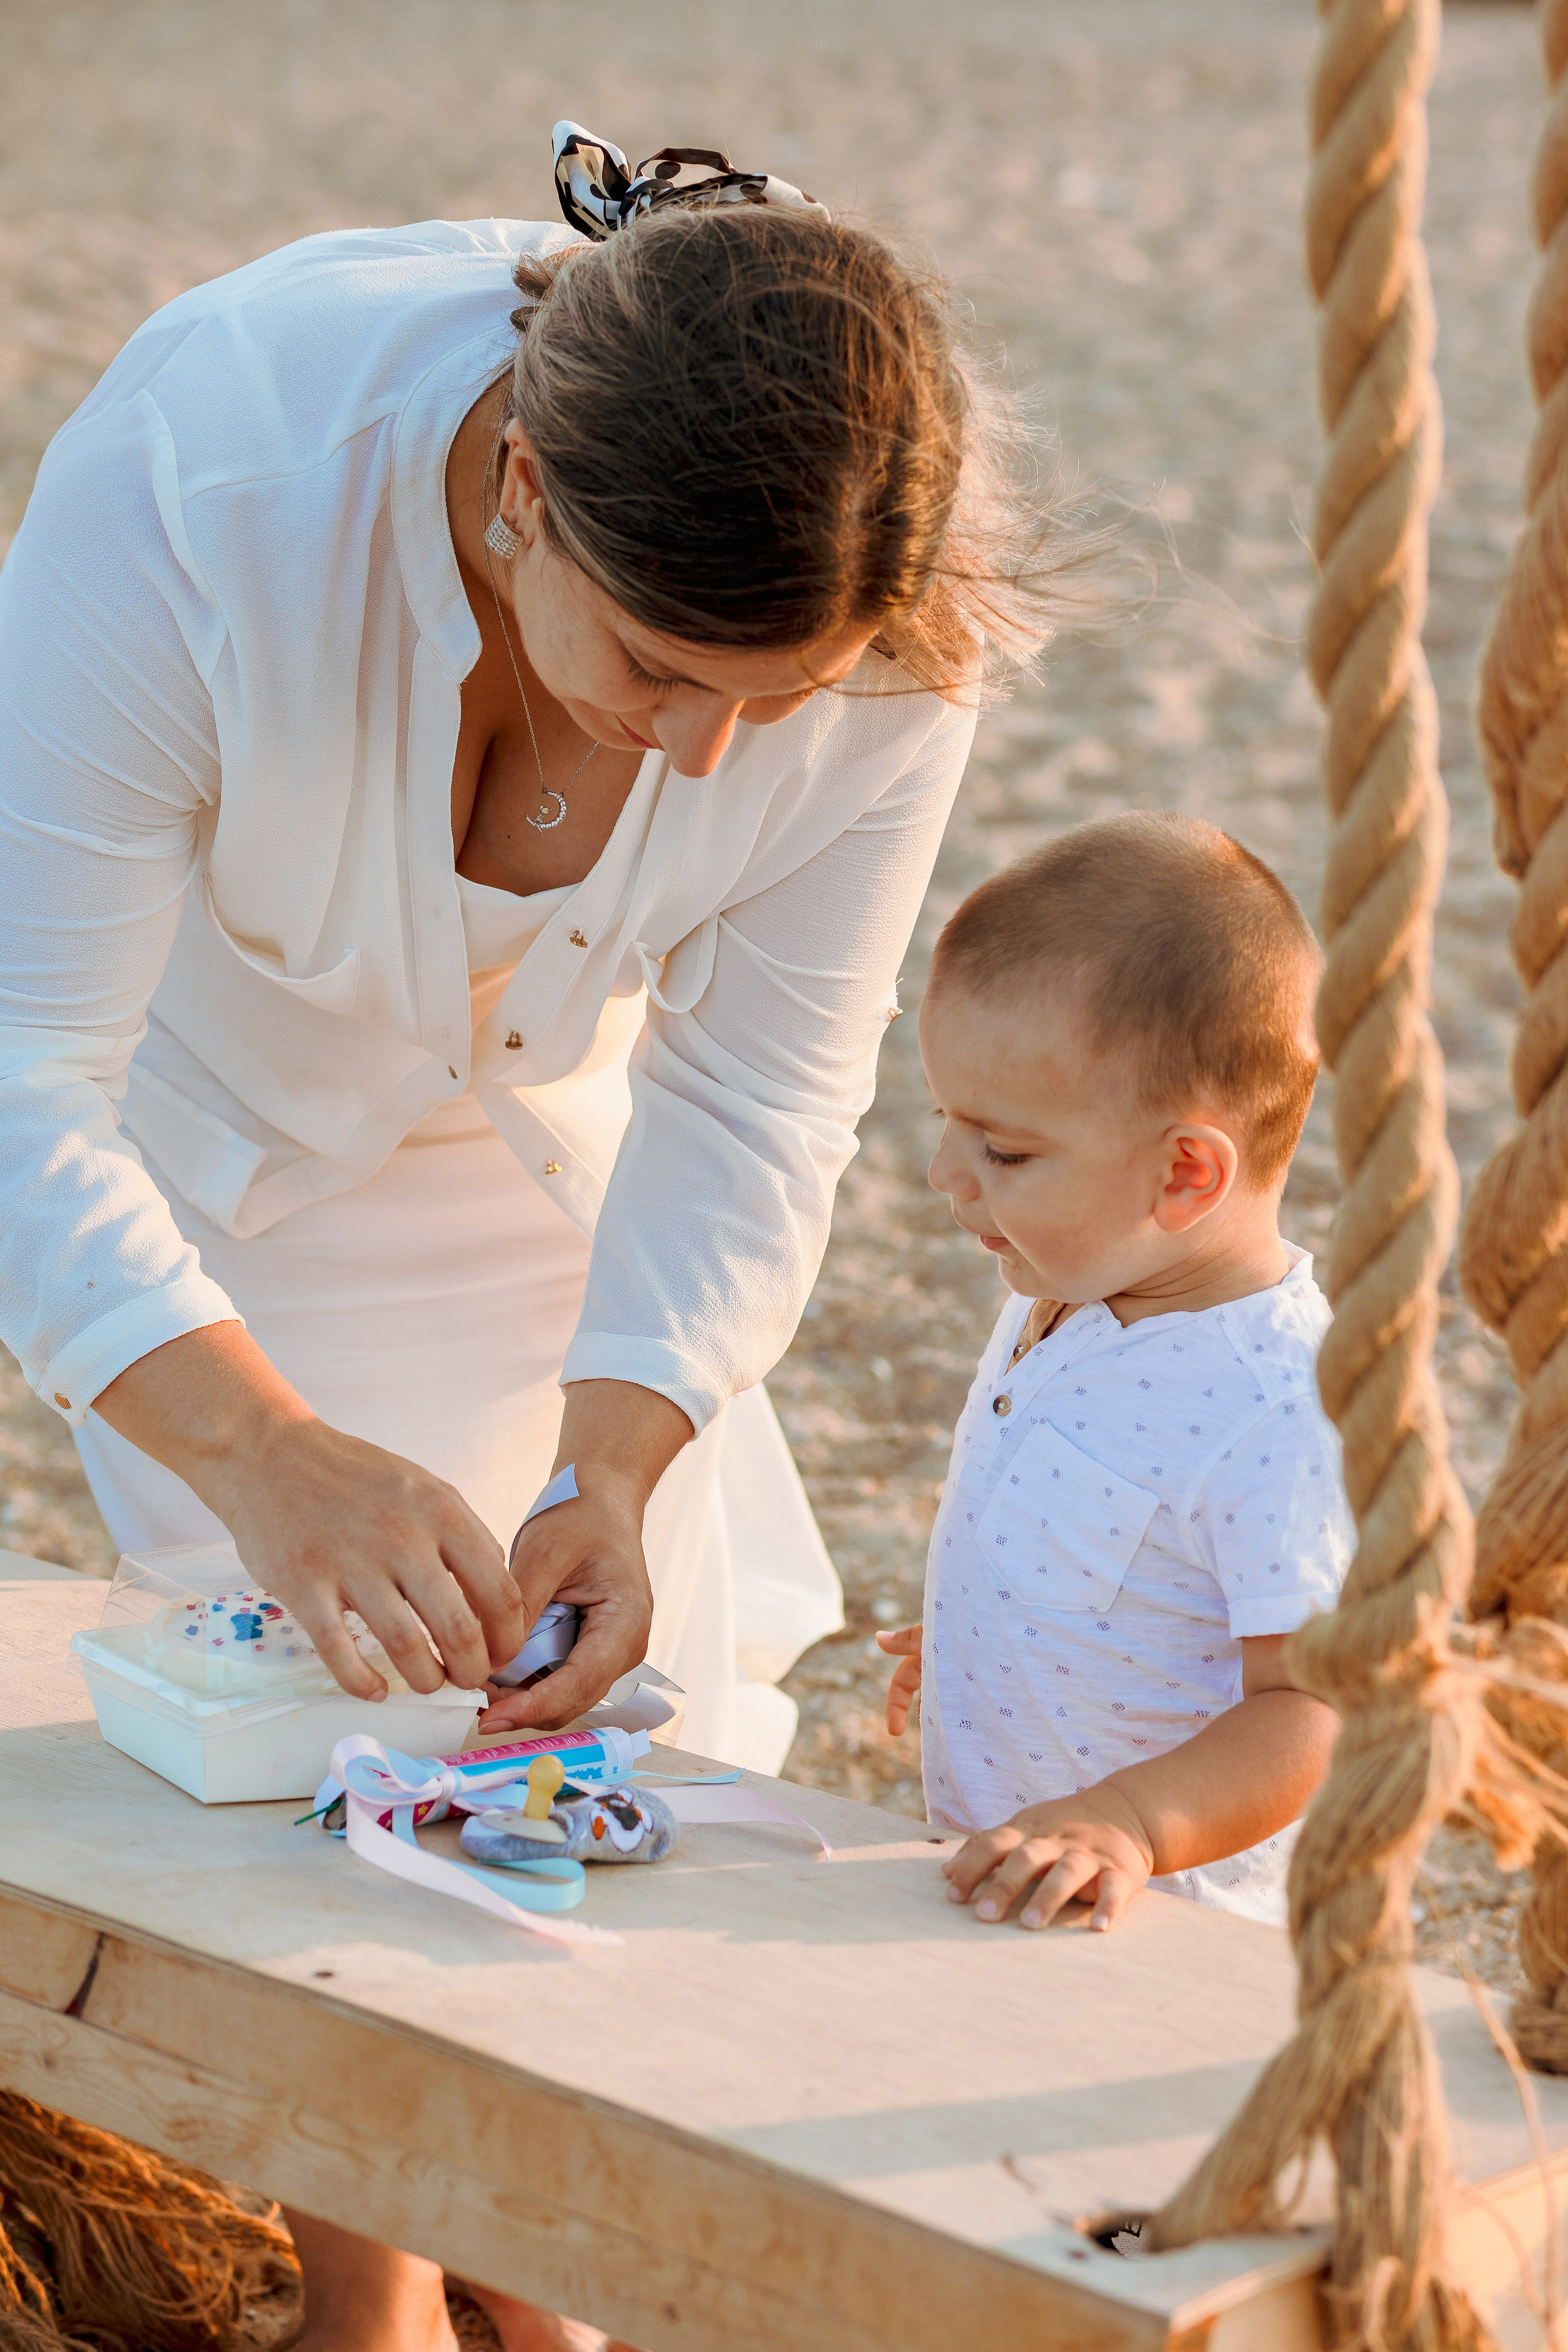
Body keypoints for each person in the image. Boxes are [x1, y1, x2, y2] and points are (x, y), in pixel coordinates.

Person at [0, 124, 1065, 2352]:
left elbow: (759, 1094)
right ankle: (376, 2305)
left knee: (598, 1728)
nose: (713, 754)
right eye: (665, 670)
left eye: (778, 699)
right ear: (521, 496)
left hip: (553, 1150)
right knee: (314, 1740)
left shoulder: (898, 617)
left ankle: (538, 2272)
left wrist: (623, 1454)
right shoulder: (202, 478)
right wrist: (269, 1452)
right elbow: (17, 1077)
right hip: (220, 1164)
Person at [877, 812, 1354, 1937]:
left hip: (1155, 1923)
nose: (945, 1175)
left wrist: (1128, 1823)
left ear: (1185, 1173)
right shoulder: (1072, 1282)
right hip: (1005, 1882)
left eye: (1004, 1150)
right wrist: (987, 1627)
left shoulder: (1277, 1406)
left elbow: (1313, 1708)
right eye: (948, 1122)